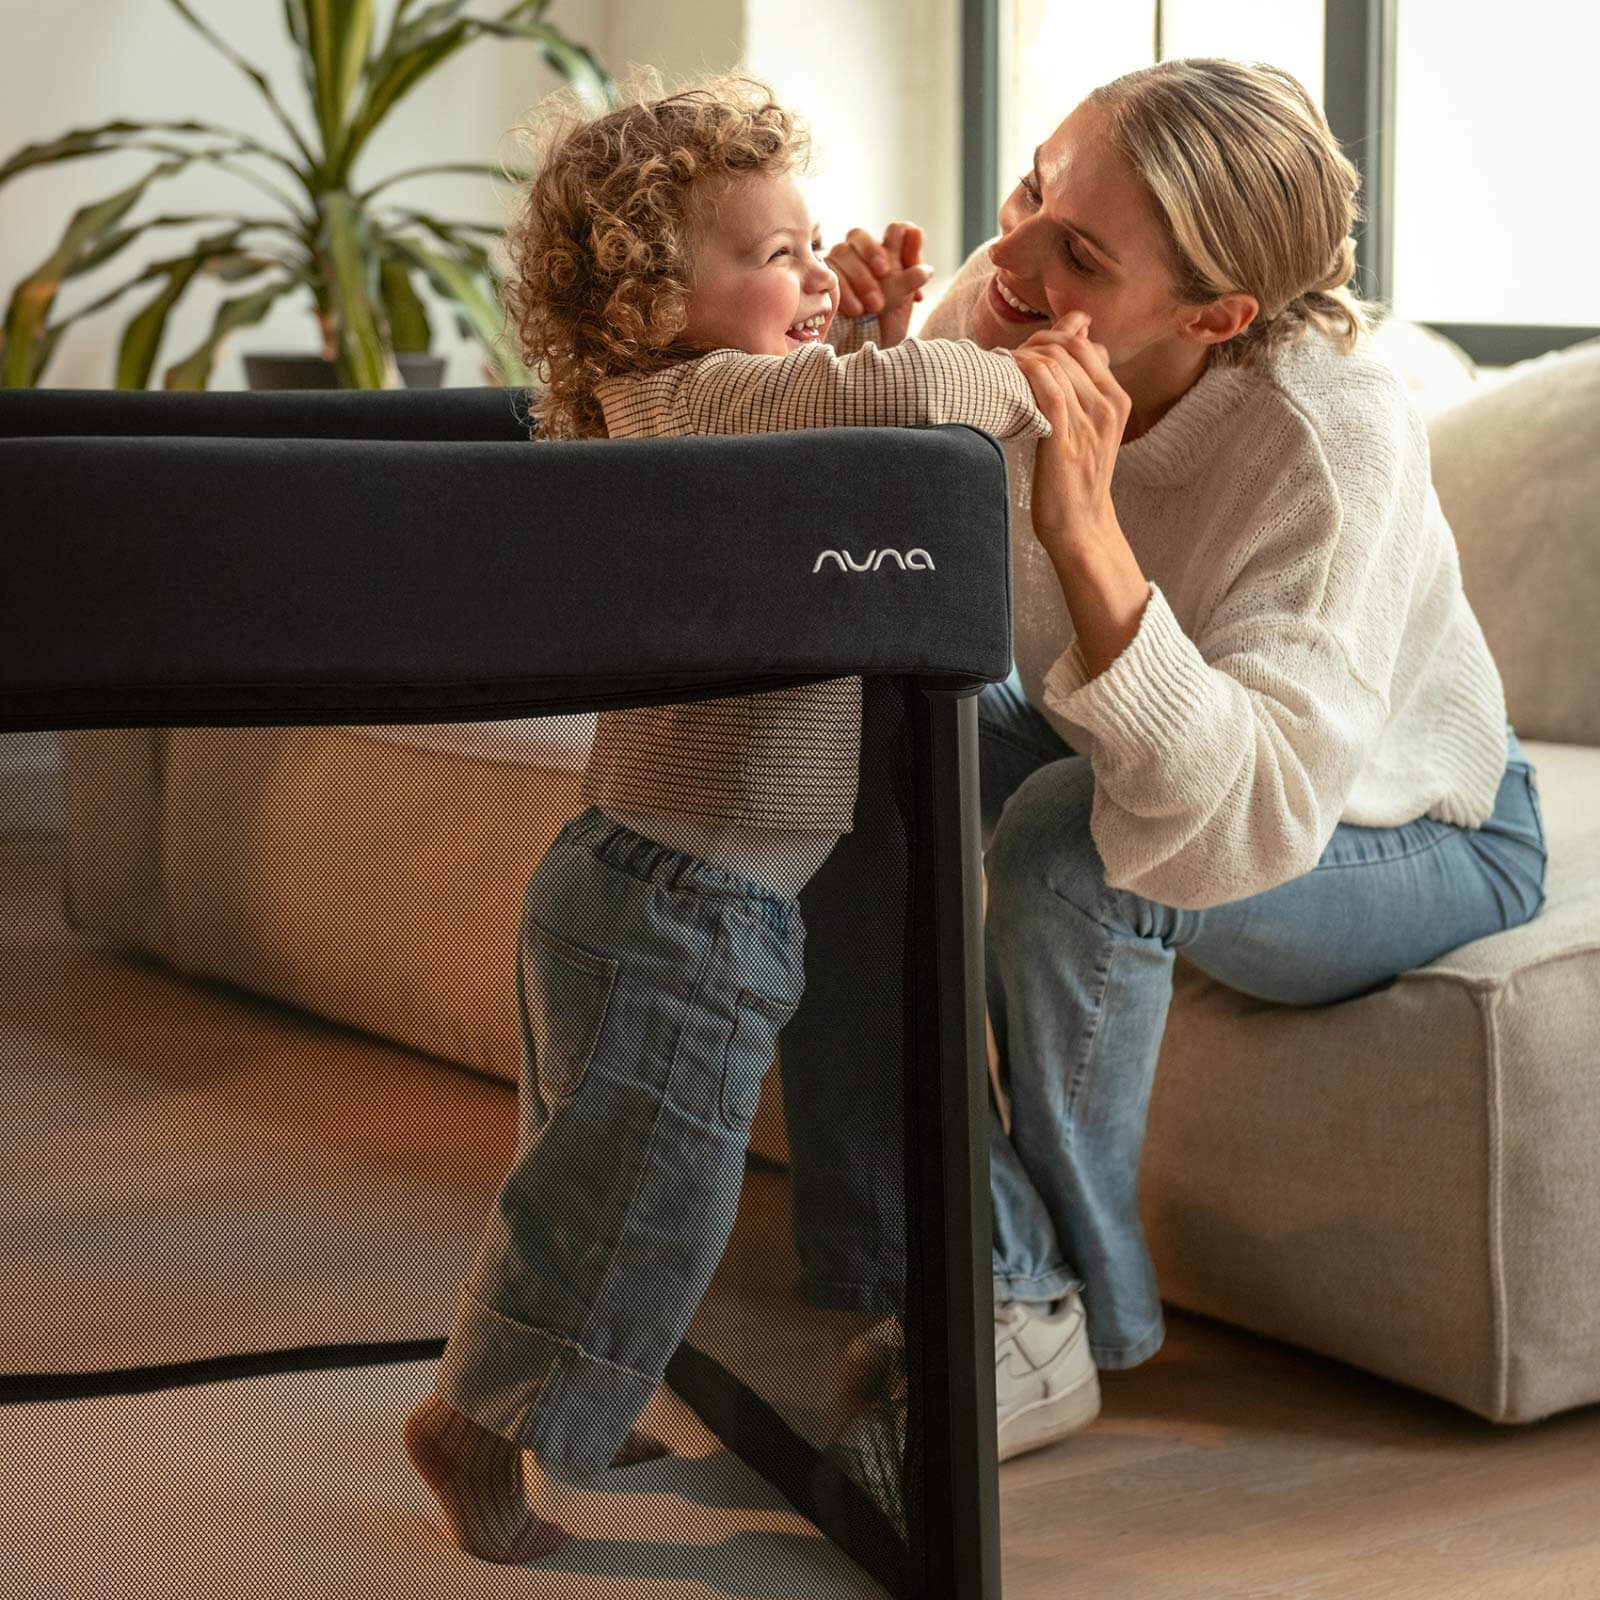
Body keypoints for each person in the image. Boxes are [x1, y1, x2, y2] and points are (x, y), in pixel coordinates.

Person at [799, 55, 1548, 1466]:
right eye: (1031, 189)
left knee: (1066, 843)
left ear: (1217, 314)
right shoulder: (1003, 307)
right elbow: (887, 560)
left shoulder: (1330, 438)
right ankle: (949, 1256)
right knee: (827, 763)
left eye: (1080, 252)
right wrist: (858, 361)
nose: (1013, 254)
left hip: (1412, 820)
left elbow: (1247, 816)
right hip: (1124, 736)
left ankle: (1035, 1315)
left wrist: (1087, 526)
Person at [400, 71, 1084, 1561]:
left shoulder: (705, 410)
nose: (812, 275)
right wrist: (1016, 369)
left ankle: (559, 1397)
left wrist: (877, 330)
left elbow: (844, 448)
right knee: (642, 1208)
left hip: (644, 886)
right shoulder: (688, 400)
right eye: (774, 255)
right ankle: (479, 1432)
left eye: (810, 243)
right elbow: (877, 412)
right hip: (687, 910)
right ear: (655, 300)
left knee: (589, 1185)